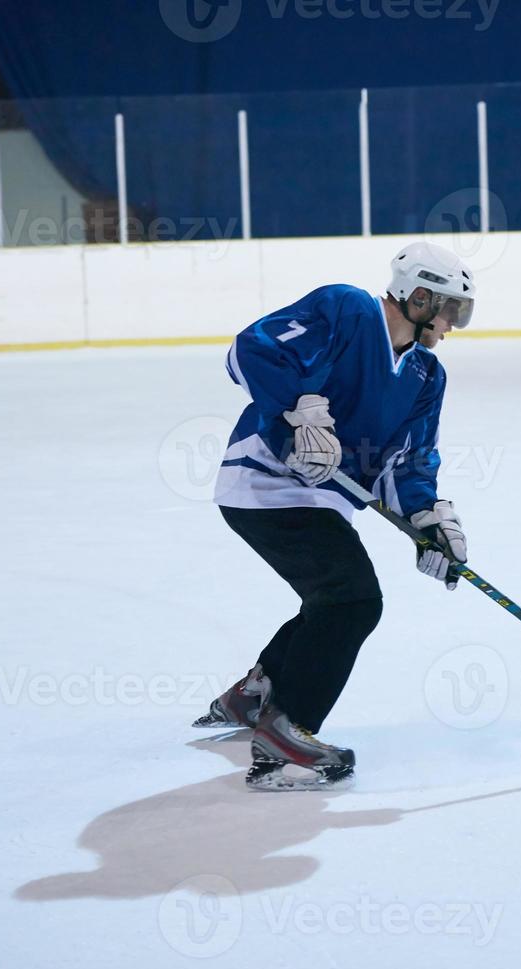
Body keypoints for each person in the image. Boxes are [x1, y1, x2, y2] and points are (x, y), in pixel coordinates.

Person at [193, 242, 475, 791]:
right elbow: (249, 350)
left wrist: (428, 522)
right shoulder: (346, 309)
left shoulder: (426, 376)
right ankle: (284, 735)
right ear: (418, 297)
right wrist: (299, 408)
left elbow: (408, 460)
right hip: (262, 482)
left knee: (332, 598)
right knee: (352, 599)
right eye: (450, 308)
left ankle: (257, 694)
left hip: (321, 499)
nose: (454, 323)